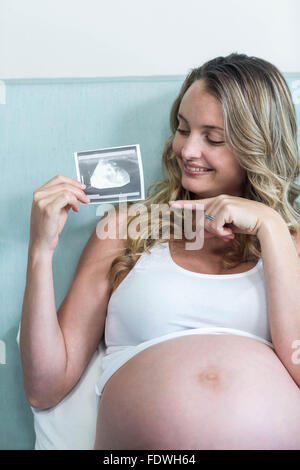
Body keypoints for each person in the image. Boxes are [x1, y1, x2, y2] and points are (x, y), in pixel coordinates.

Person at [20, 53, 300, 450]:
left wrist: (270, 227)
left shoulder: (292, 241)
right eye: (182, 129)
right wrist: (40, 250)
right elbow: (44, 388)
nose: (186, 150)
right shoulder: (126, 229)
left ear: (258, 146)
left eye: (213, 138)